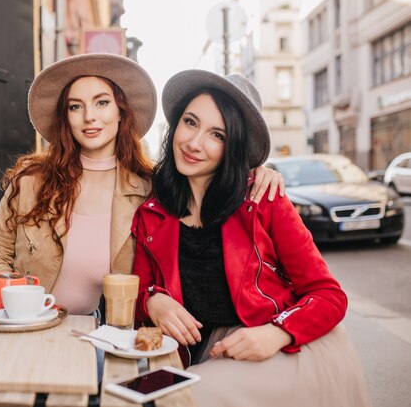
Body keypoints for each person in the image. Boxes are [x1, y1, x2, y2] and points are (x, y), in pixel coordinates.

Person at [131, 70, 371, 407]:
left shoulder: (264, 200)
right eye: (190, 122)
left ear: (235, 147)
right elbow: (141, 288)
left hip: (277, 345)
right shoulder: (152, 212)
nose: (194, 142)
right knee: (129, 396)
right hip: (198, 352)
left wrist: (277, 333)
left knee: (181, 399)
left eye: (217, 134)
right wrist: (153, 300)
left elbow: (329, 294)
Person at [0, 54, 284, 318]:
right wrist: (20, 310)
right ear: (66, 117)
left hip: (102, 331)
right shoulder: (31, 180)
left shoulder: (152, 188)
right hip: (25, 325)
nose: (90, 117)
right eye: (76, 106)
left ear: (120, 111)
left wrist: (257, 171)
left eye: (102, 102)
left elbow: (208, 176)